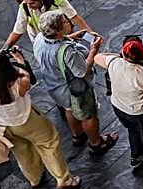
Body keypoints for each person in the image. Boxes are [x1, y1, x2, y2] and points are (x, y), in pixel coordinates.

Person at [0, 50, 80, 189]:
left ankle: (34, 178)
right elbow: (27, 76)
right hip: (27, 120)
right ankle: (64, 179)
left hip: (3, 127)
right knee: (49, 144)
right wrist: (19, 59)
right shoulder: (19, 84)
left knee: (22, 152)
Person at [33, 11, 118, 155]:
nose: (69, 22)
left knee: (69, 109)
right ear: (59, 30)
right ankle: (96, 143)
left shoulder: (40, 39)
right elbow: (82, 71)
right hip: (73, 90)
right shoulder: (67, 52)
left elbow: (54, 44)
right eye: (65, 22)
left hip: (55, 87)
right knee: (88, 115)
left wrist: (70, 37)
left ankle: (77, 136)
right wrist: (93, 50)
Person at [95, 37, 143, 173]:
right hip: (140, 112)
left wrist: (120, 55)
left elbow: (98, 57)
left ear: (124, 53)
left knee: (133, 130)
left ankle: (136, 155)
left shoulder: (115, 62)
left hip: (119, 107)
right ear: (142, 56)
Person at [2, 0, 90, 50]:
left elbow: (73, 16)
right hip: (42, 37)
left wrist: (90, 34)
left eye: (32, 3)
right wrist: (4, 49)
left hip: (61, 32)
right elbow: (17, 31)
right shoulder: (24, 7)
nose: (29, 6)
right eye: (26, 3)